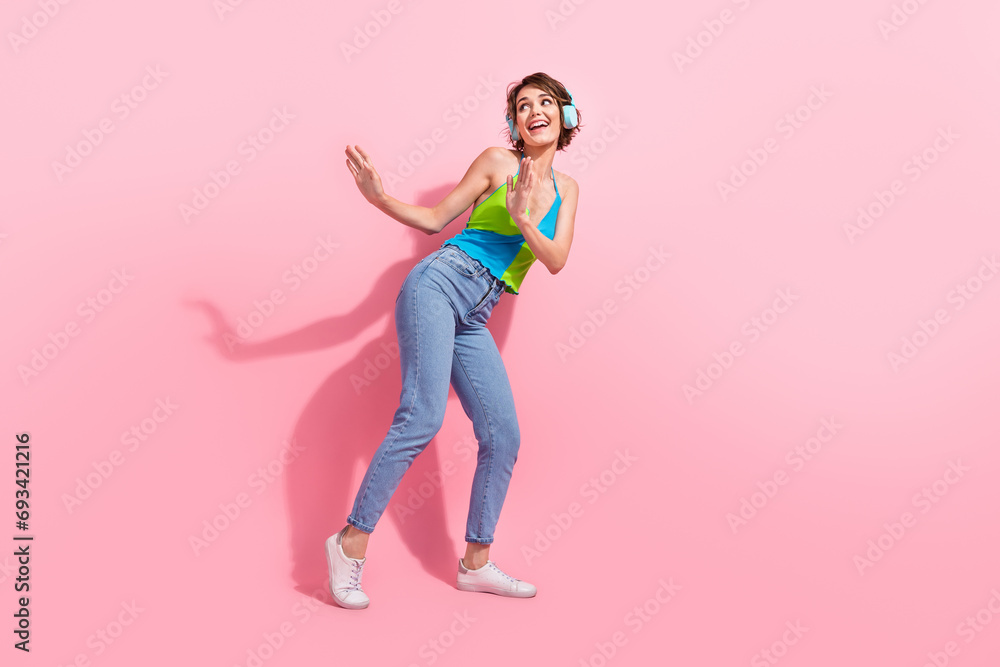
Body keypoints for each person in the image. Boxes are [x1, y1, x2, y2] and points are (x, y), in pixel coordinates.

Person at [326, 72, 581, 609]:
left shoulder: (569, 190)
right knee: (422, 416)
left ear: (565, 115)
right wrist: (378, 197)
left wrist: (523, 222)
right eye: (521, 105)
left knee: (503, 435)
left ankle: (476, 564)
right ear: (514, 123)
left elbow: (555, 260)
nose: (533, 111)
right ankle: (350, 544)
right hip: (441, 282)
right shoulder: (496, 162)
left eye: (545, 102)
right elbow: (435, 219)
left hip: (478, 310)